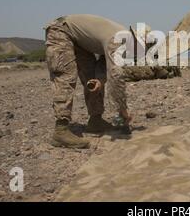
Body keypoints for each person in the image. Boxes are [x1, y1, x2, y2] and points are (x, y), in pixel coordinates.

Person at [44, 14, 140, 149]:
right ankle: (61, 131)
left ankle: (95, 120)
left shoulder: (122, 39)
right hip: (61, 31)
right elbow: (116, 78)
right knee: (66, 76)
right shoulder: (119, 40)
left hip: (79, 41)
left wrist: (100, 80)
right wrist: (123, 110)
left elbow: (104, 63)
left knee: (91, 79)